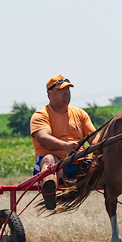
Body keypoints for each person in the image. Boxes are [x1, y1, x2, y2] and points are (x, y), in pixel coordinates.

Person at [30, 75, 98, 209]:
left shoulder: (80, 114)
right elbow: (43, 138)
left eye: (68, 89)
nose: (66, 92)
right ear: (50, 94)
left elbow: (95, 139)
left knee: (111, 164)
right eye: (61, 89)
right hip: (52, 165)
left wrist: (100, 148)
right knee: (49, 159)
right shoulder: (41, 115)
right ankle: (49, 191)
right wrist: (65, 146)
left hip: (78, 164)